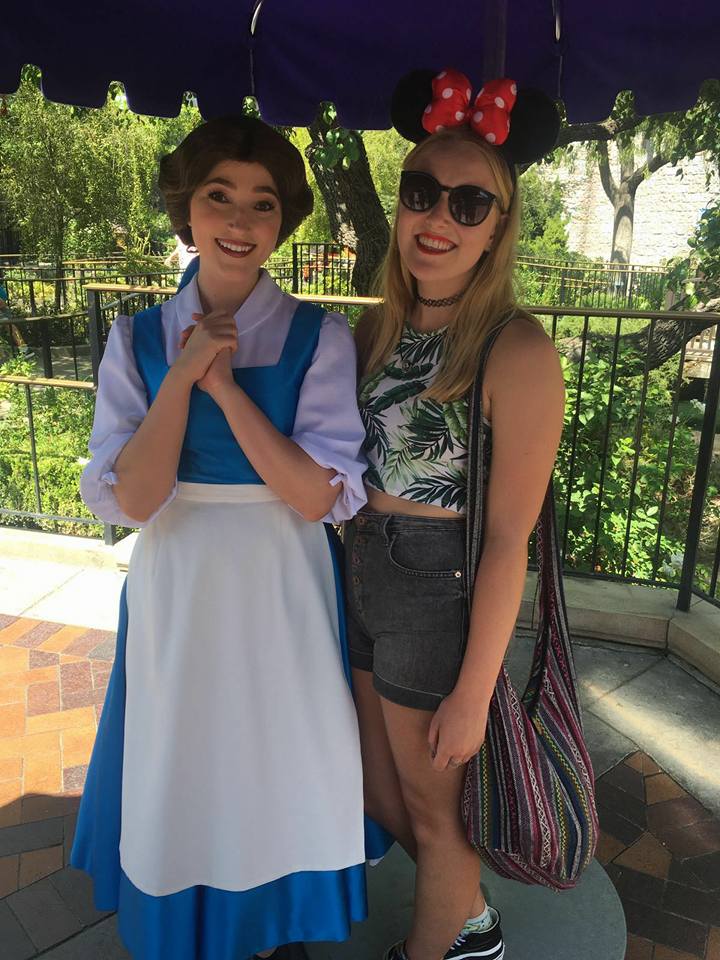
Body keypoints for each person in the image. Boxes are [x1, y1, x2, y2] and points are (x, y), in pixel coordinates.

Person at [72, 115, 375, 960]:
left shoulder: (321, 337)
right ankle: (190, 920)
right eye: (219, 196)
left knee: (282, 748)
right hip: (181, 573)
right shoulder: (135, 339)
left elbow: (315, 497)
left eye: (263, 203)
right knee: (186, 747)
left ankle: (276, 927)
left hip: (283, 576)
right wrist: (181, 374)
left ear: (282, 221)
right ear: (187, 207)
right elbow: (135, 499)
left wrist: (228, 390)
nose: (240, 221)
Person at [346, 71, 564, 960]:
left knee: (439, 818)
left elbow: (510, 538)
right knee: (378, 789)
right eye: (421, 192)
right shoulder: (378, 329)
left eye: (469, 203)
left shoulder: (517, 349)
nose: (438, 217)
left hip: (438, 591)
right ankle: (468, 921)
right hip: (362, 568)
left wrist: (475, 693)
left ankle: (438, 947)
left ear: (498, 229)